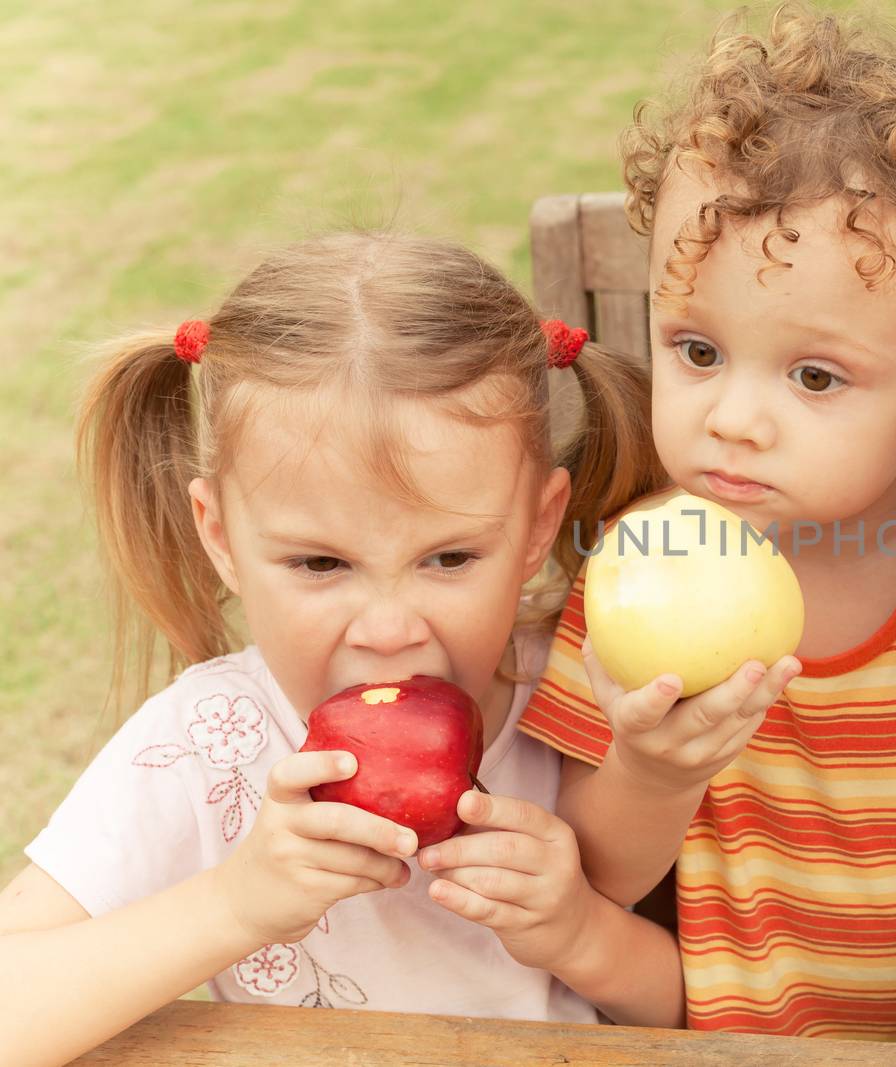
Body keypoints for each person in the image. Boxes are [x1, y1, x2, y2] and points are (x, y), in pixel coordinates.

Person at [520, 5, 896, 1062]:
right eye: (696, 350)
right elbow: (600, 877)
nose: (733, 416)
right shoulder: (641, 564)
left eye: (813, 376)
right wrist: (655, 773)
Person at [0, 232, 681, 1067]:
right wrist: (236, 904)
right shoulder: (208, 745)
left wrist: (578, 925)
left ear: (539, 526)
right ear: (220, 537)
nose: (389, 629)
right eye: (321, 563)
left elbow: (687, 1004)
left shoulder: (587, 687)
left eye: (449, 558)